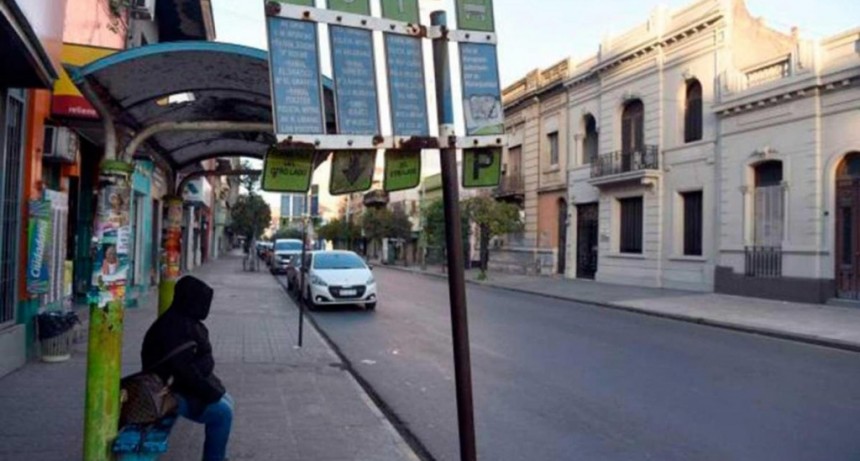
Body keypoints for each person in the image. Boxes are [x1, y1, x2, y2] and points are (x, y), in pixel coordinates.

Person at [141, 276, 232, 461]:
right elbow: (186, 371)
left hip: (173, 385)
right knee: (223, 413)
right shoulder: (177, 327)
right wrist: (209, 391)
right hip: (163, 392)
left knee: (226, 401)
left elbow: (192, 366)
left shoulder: (181, 319)